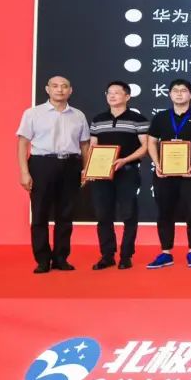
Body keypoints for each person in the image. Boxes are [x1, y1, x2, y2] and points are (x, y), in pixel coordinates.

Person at [16, 75, 91, 273]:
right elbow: (22, 143)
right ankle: (42, 259)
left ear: (70, 90)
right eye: (55, 86)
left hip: (71, 165)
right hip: (42, 164)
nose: (60, 90)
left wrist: (86, 169)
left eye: (64, 86)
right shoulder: (33, 113)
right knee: (40, 214)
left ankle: (60, 258)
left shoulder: (78, 115)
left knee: (65, 214)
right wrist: (24, 172)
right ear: (47, 89)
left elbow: (84, 145)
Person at [146, 78, 191, 269]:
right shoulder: (161, 117)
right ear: (169, 94)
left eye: (183, 90)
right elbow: (151, 141)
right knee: (164, 211)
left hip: (190, 173)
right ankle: (166, 252)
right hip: (164, 173)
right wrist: (157, 163)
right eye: (175, 90)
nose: (179, 94)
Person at [85, 80, 149, 270]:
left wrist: (125, 160)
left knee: (129, 214)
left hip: (127, 172)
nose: (112, 96)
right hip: (101, 174)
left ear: (127, 96)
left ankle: (126, 255)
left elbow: (145, 147)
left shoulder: (138, 119)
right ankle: (107, 255)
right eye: (109, 93)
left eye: (117, 92)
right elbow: (93, 146)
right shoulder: (98, 119)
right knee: (103, 214)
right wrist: (89, 168)